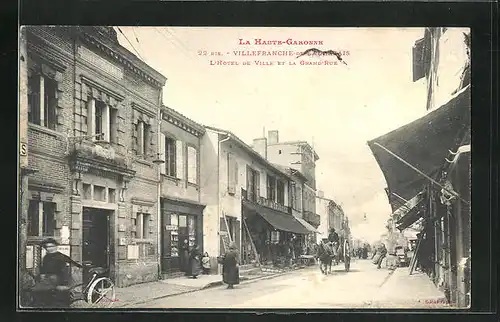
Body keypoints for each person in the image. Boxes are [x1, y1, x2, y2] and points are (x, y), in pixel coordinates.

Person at [32, 238, 83, 307]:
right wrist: (41, 275)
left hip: (57, 279)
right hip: (46, 278)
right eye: (47, 247)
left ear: (56, 247)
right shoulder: (46, 257)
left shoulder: (61, 256)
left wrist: (79, 267)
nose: (48, 248)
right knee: (38, 291)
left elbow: (70, 263)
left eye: (51, 246)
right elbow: (43, 268)